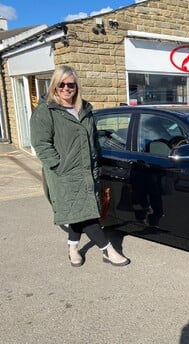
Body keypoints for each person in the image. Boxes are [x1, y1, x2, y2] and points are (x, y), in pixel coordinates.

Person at [30, 65, 130, 267]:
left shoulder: (84, 109)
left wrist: (97, 163)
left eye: (71, 85)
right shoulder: (46, 111)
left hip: (88, 172)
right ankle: (109, 251)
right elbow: (41, 144)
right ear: (55, 86)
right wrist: (59, 165)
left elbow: (93, 140)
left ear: (76, 87)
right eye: (62, 84)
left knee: (78, 213)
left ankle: (72, 248)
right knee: (87, 216)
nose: (66, 88)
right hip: (64, 175)